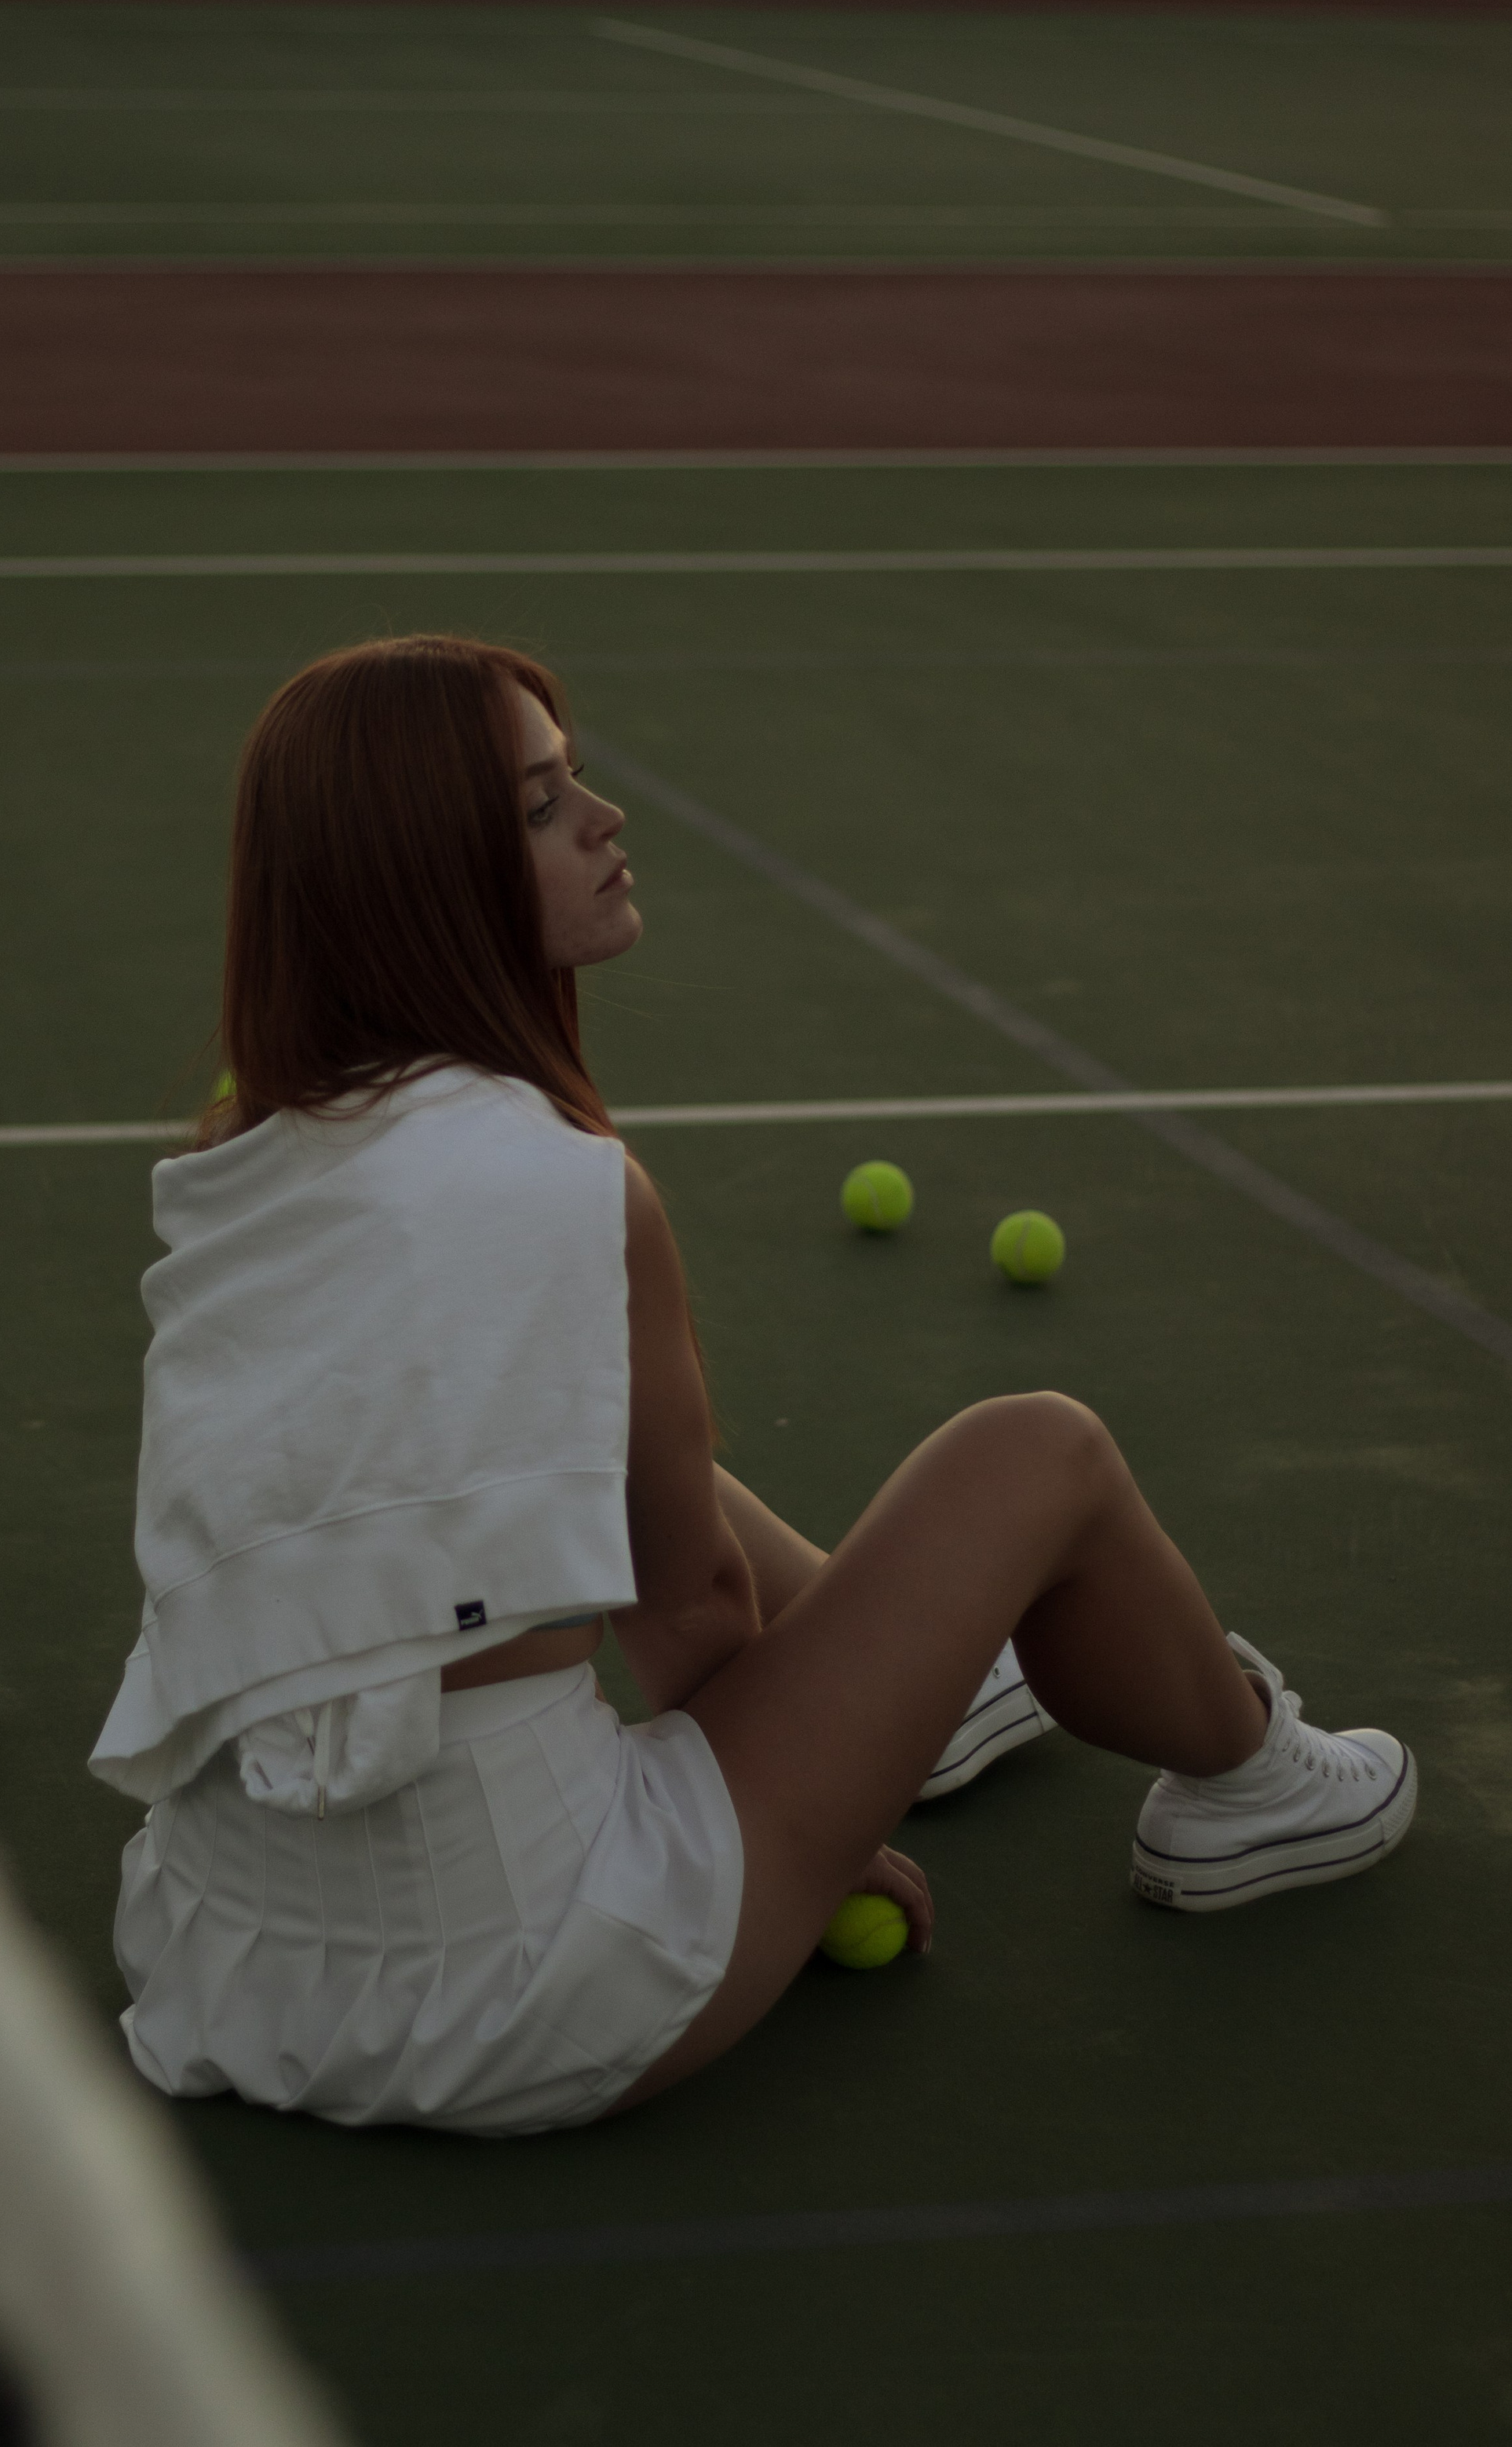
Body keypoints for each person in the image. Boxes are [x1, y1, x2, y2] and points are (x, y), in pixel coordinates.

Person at [90, 635, 1415, 2136]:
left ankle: (948, 1695)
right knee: (1037, 1449)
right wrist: (825, 1821)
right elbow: (695, 1613)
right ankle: (1253, 1786)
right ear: (426, 877)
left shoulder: (230, 1159)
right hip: (536, 1983)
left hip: (237, 1957)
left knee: (555, 1431)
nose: (604, 815)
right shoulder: (579, 1193)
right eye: (539, 804)